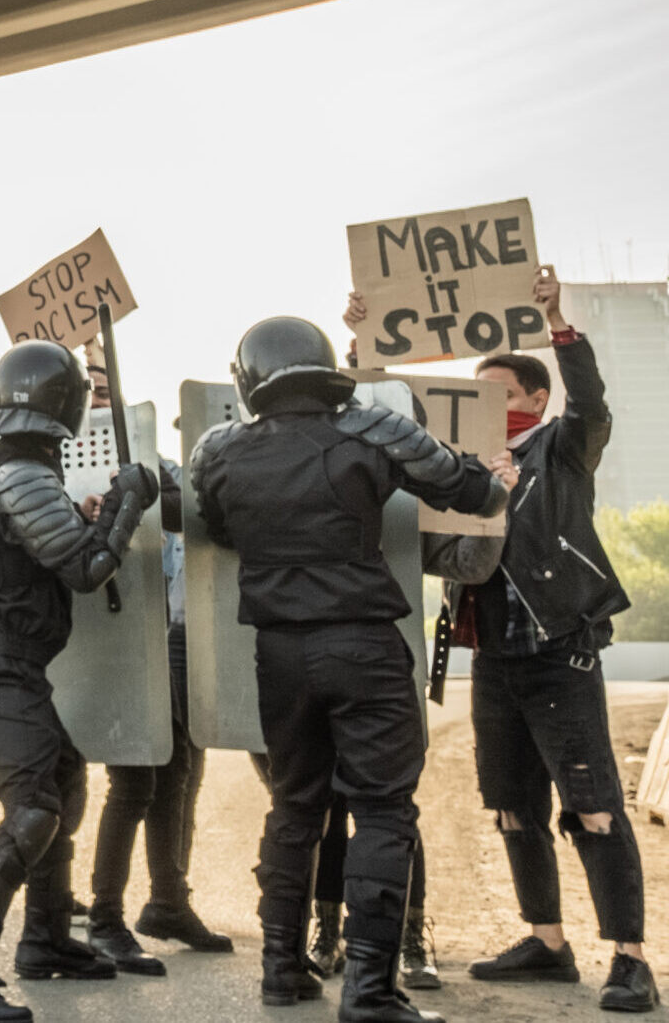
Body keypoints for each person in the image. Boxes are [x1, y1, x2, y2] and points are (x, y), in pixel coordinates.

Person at [189, 317, 505, 1023]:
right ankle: (369, 990)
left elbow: (217, 527)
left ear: (249, 379)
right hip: (362, 644)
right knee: (384, 812)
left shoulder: (218, 450)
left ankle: (281, 972)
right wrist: (494, 478)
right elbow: (469, 492)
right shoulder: (370, 430)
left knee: (293, 808)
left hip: (279, 652)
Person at [366, 269, 654, 1012]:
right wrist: (363, 344)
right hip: (493, 656)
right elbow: (371, 423)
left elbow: (592, 405)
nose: (483, 406)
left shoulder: (561, 448)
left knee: (592, 804)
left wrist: (559, 324)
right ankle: (548, 943)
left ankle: (630, 959)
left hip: (561, 648)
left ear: (532, 398)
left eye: (496, 393)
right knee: (510, 805)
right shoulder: (457, 470)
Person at [0, 341, 156, 1023]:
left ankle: (46, 939)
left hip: (7, 657)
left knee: (65, 781)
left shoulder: (10, 467)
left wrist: (102, 513)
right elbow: (85, 570)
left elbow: (54, 553)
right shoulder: (21, 472)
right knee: (33, 808)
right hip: (0, 661)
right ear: (65, 404)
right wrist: (127, 503)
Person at [78, 351, 228, 975]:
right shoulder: (58, 464)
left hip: (173, 634)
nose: (96, 397)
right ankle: (104, 914)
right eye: (86, 386)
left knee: (179, 771)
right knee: (133, 780)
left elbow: (188, 518)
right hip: (113, 641)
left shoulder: (157, 463)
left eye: (105, 384)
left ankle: (167, 900)